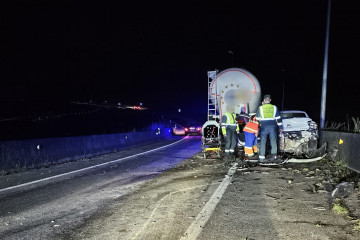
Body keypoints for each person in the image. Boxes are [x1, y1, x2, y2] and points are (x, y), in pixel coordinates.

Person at [256, 94, 283, 163]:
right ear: (270, 100)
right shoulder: (274, 107)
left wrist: (261, 122)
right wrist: (280, 127)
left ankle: (262, 158)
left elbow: (257, 118)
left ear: (264, 100)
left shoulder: (260, 108)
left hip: (264, 127)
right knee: (273, 141)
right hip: (272, 127)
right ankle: (274, 157)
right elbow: (278, 118)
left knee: (263, 142)